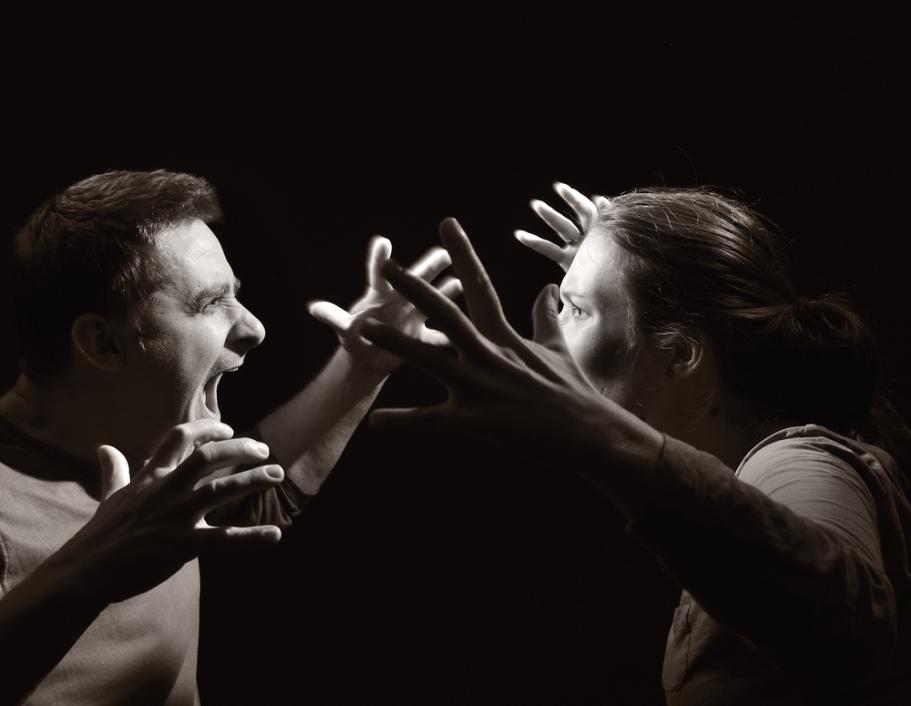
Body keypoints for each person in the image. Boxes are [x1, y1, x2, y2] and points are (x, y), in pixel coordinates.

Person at [357, 186, 911, 705]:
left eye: (572, 310)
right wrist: (616, 273)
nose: (545, 345)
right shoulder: (747, 470)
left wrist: (599, 434)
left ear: (680, 355)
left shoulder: (799, 461)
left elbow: (850, 627)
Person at [0, 169, 460, 704]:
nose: (253, 328)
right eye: (210, 303)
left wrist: (362, 365)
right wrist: (93, 570)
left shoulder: (154, 449)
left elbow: (259, 494)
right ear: (103, 344)